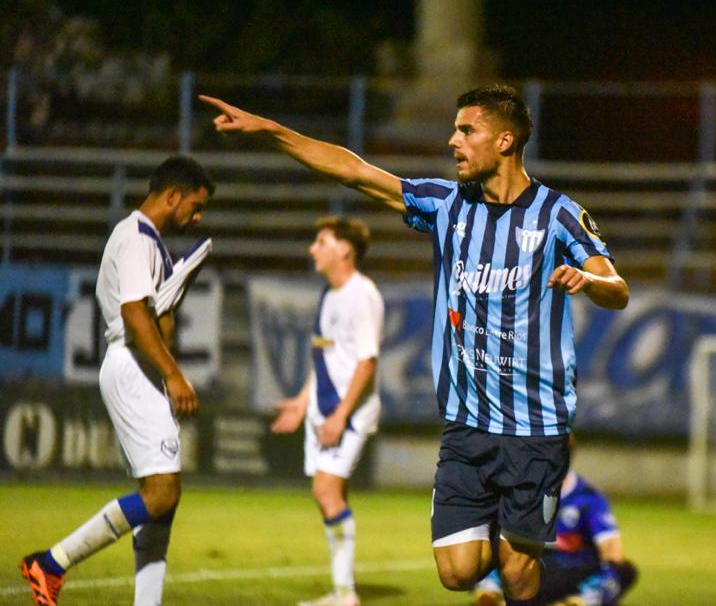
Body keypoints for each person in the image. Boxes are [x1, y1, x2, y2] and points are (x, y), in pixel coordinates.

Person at [200, 83, 629, 605]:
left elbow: (618, 289)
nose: (453, 141)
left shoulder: (558, 214)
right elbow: (354, 171)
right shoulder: (445, 204)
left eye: (467, 130)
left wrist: (590, 282)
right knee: (457, 571)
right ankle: (508, 530)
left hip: (535, 431)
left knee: (518, 579)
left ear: (505, 140)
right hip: (467, 427)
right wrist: (270, 131)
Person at [19, 155, 214, 606]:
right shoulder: (135, 237)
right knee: (162, 492)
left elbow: (154, 319)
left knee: (162, 496)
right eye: (195, 204)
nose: (197, 216)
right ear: (172, 196)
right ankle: (50, 563)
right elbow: (131, 314)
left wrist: (175, 290)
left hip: (140, 367)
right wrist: (174, 375)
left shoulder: (154, 246)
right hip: (132, 365)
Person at [269, 215, 384, 606]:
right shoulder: (330, 294)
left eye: (321, 241)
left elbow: (367, 362)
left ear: (345, 250)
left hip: (346, 413)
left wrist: (339, 416)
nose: (312, 249)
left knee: (325, 492)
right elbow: (324, 357)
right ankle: (341, 589)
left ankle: (345, 595)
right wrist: (303, 401)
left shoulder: (361, 294)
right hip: (324, 409)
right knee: (332, 494)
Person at [472, 460, 639, 606]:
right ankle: (584, 599)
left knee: (624, 570)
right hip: (535, 571)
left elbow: (610, 547)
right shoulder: (518, 492)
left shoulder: (587, 497)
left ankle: (493, 589)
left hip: (565, 574)